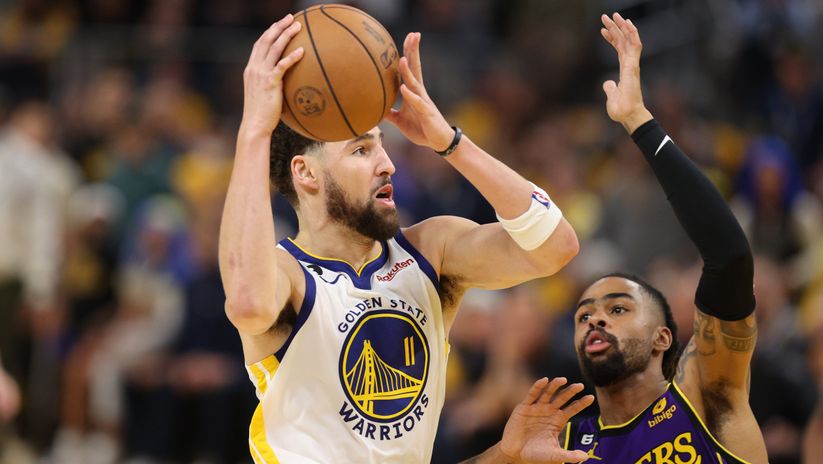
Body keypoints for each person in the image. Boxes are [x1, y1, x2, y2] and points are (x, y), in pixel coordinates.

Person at [219, 14, 583, 463]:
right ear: (305, 173)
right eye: (360, 149)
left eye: (381, 143)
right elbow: (248, 302)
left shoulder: (431, 251)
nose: (387, 163)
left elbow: (556, 246)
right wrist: (254, 130)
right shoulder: (286, 275)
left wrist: (447, 140)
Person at [556, 13, 769, 463]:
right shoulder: (563, 447)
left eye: (617, 308)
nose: (594, 320)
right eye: (583, 316)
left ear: (662, 339)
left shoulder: (708, 394)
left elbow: (729, 258)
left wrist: (638, 121)